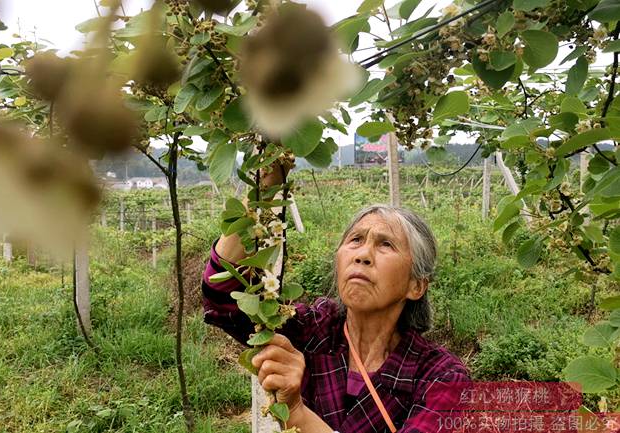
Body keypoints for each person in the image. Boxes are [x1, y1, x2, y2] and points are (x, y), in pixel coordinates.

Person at [201, 167, 471, 433]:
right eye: (355, 239)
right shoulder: (316, 331)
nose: (362, 255)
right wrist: (268, 183)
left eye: (386, 244)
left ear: (416, 285)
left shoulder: (442, 377)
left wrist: (296, 412)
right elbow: (222, 294)